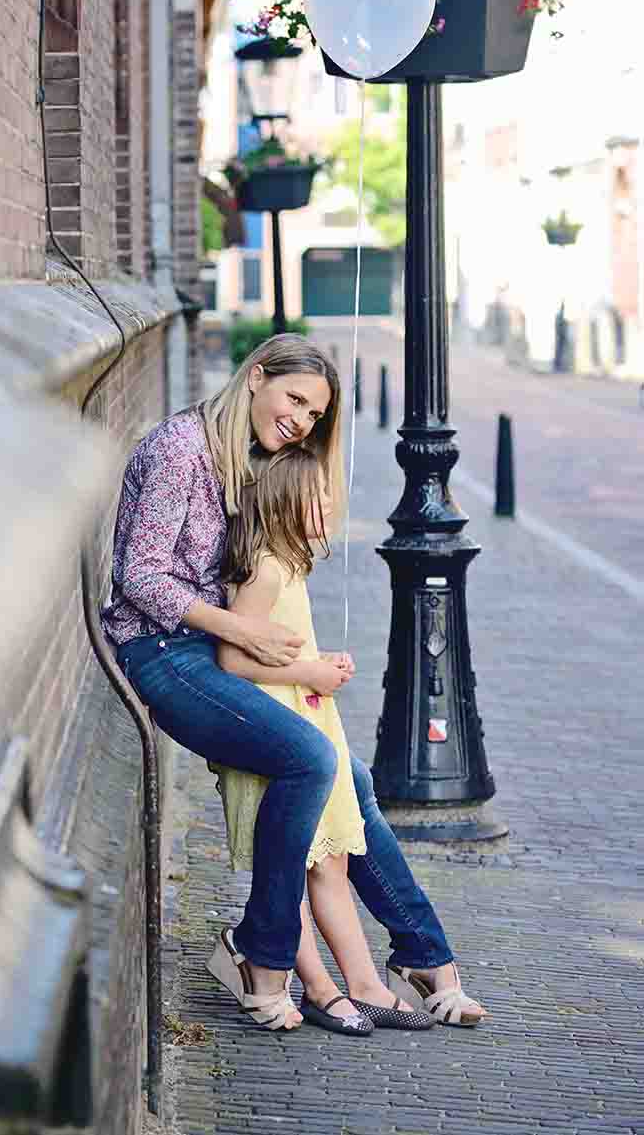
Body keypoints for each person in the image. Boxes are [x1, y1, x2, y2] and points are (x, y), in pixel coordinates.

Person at [102, 335, 484, 1031]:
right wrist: (241, 630)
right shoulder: (178, 449)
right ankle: (262, 951)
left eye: (314, 413)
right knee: (307, 759)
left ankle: (419, 952)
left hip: (212, 638)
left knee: (348, 775)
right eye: (295, 399)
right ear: (255, 378)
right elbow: (139, 573)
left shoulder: (254, 454)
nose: (301, 420)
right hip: (161, 649)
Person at [214, 445, 477, 1033]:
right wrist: (307, 673)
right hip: (273, 729)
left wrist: (316, 662)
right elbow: (232, 661)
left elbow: (278, 645)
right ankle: (318, 985)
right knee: (287, 867)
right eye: (319, 495)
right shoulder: (264, 566)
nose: (330, 505)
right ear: (283, 499)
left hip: (311, 720)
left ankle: (365, 985)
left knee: (330, 862)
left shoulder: (290, 562)